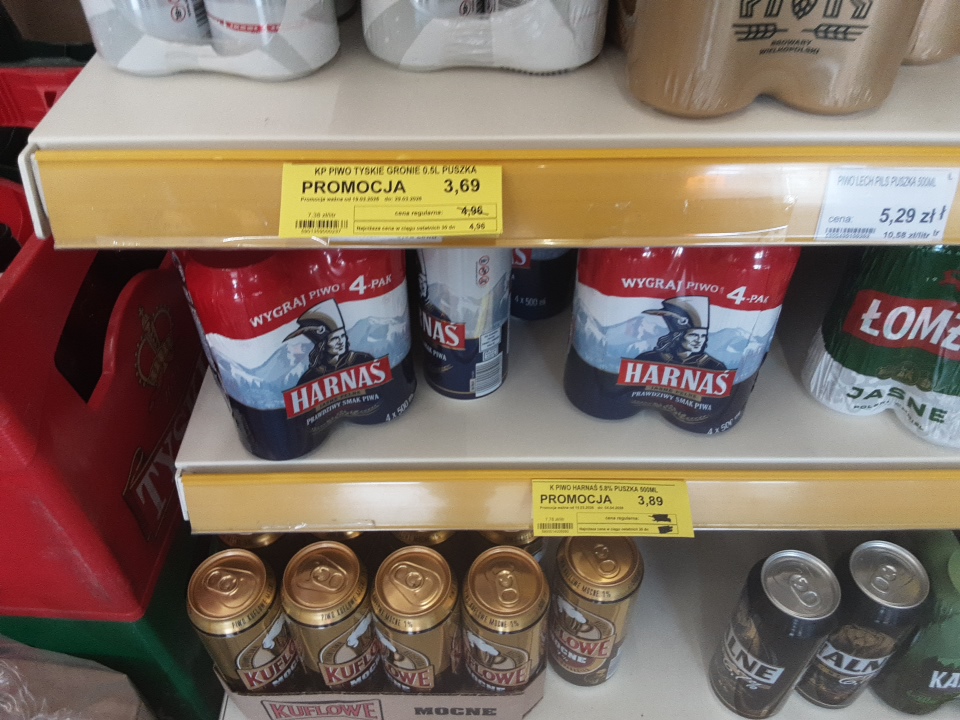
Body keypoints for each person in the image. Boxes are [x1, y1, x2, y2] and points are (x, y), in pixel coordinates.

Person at [284, 299, 374, 384]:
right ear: (322, 345)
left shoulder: (362, 360)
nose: (340, 341)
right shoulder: (310, 377)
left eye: (343, 336)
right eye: (334, 339)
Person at [636, 296, 726, 370]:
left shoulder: (715, 367)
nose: (699, 340)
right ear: (677, 337)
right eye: (693, 335)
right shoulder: (647, 359)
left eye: (703, 336)